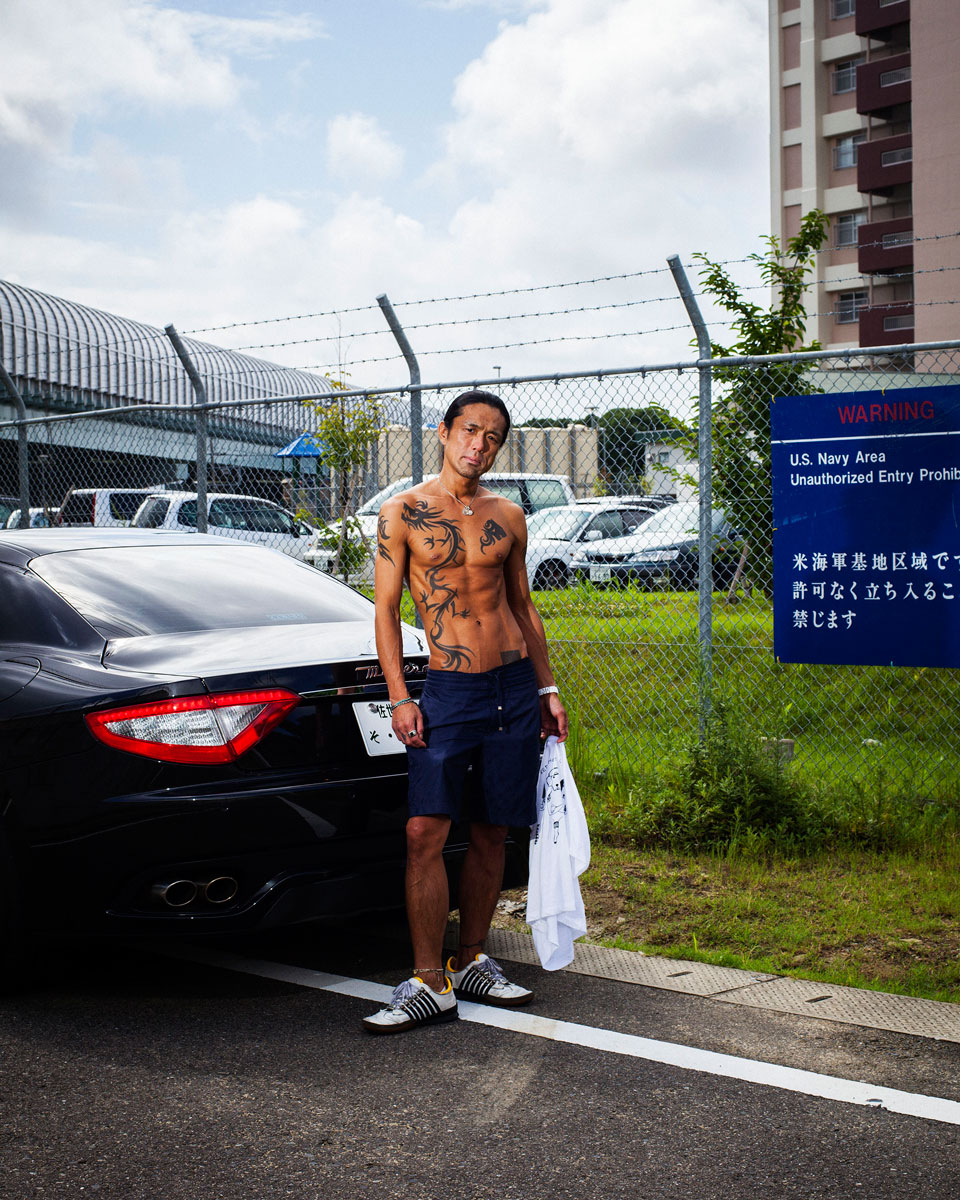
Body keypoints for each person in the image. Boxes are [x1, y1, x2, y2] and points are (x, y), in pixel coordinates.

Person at [362, 390, 568, 1034]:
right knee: (424, 831)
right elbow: (387, 613)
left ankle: (474, 957)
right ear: (446, 432)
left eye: (493, 438)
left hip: (511, 685)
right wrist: (400, 695)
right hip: (449, 689)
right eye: (471, 431)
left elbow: (523, 606)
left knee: (492, 830)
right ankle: (429, 981)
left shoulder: (509, 514)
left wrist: (546, 688)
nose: (480, 445)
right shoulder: (401, 513)